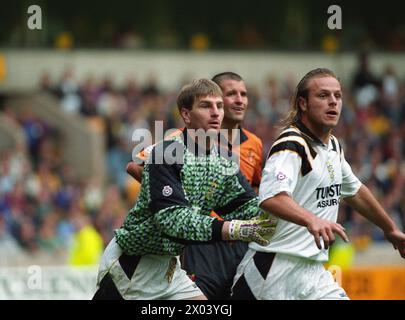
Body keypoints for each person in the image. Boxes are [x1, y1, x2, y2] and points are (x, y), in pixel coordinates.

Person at [231, 68, 405, 300]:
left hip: (313, 272)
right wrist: (311, 220)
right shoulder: (291, 144)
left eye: (337, 96)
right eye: (323, 96)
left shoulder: (333, 146)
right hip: (273, 268)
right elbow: (271, 198)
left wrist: (390, 228)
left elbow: (355, 191)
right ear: (303, 103)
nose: (333, 102)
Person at [93, 79, 275, 300]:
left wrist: (291, 213)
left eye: (219, 105)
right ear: (186, 115)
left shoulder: (224, 160)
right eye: (206, 106)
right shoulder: (165, 154)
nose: (216, 113)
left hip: (170, 268)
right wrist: (235, 229)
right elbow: (171, 220)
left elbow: (248, 207)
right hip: (135, 265)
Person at [181, 72, 263, 300]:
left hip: (241, 241)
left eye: (243, 94)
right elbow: (140, 166)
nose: (239, 100)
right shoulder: (189, 139)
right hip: (205, 242)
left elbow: (255, 190)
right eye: (231, 94)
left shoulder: (254, 144)